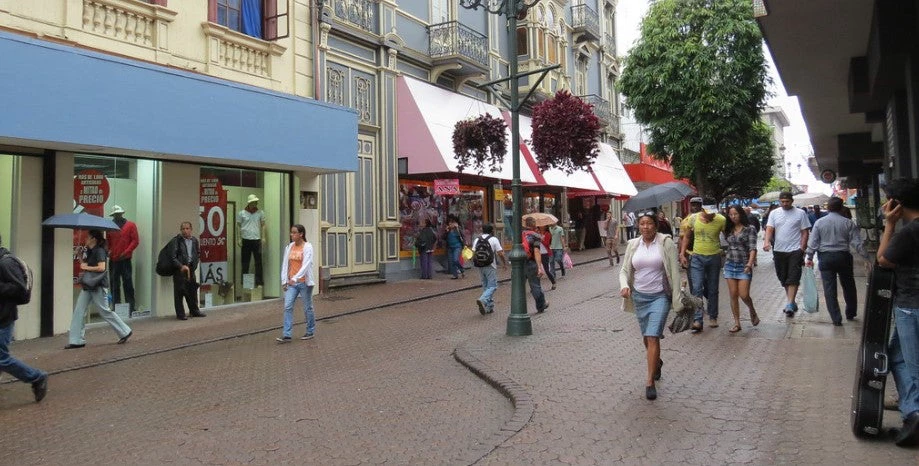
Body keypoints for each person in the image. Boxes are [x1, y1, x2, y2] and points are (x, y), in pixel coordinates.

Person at [618, 212, 681, 400]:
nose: (645, 227)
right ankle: (657, 362)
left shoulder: (666, 243)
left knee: (653, 336)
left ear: (656, 225)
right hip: (639, 297)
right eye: (642, 224)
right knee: (647, 337)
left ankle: (649, 381)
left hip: (660, 296)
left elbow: (675, 273)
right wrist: (625, 286)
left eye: (649, 223)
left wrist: (677, 299)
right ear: (638, 226)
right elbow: (624, 270)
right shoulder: (632, 245)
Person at [876, 178, 919, 447]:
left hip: (911, 306)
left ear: (895, 204)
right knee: (897, 356)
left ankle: (914, 413)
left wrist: (889, 225)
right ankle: (911, 413)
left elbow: (884, 260)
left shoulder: (909, 232)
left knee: (913, 366)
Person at [805, 197, 868, 326]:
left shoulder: (819, 223)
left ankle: (836, 318)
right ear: (841, 208)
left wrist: (809, 257)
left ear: (828, 208)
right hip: (843, 256)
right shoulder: (848, 223)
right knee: (849, 285)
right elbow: (857, 243)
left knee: (829, 289)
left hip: (826, 258)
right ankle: (851, 313)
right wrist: (867, 258)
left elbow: (813, 243)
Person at [66, 229, 133, 348]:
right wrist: (80, 255)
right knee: (79, 311)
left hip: (98, 286)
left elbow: (102, 268)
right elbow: (86, 265)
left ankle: (125, 331)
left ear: (94, 239)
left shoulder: (100, 251)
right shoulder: (91, 251)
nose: (85, 239)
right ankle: (76, 340)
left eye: (88, 237)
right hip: (89, 286)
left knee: (104, 311)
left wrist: (86, 266)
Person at [0, 234, 48, 401]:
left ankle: (36, 376)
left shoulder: (5, 263)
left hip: (3, 318)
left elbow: (18, 288)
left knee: (1, 359)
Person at [679, 202, 726, 332]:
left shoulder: (721, 220)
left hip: (714, 257)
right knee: (697, 288)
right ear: (703, 210)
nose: (710, 215)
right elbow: (687, 237)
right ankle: (698, 320)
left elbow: (728, 235)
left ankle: (713, 316)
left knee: (712, 288)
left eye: (712, 212)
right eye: (708, 212)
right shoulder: (693, 219)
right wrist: (682, 254)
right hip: (697, 258)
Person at [763, 192, 811, 317]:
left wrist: (802, 248)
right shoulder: (774, 213)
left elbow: (805, 231)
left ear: (792, 201)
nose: (785, 204)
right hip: (779, 250)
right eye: (782, 202)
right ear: (779, 201)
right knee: (783, 277)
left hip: (795, 250)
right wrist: (766, 242)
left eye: (787, 201)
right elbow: (769, 229)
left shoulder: (800, 213)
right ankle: (792, 301)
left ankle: (789, 303)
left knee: (793, 276)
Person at [722, 206, 760, 333]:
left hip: (743, 265)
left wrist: (750, 263)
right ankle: (737, 322)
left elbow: (753, 248)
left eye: (735, 214)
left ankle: (752, 309)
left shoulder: (750, 229)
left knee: (744, 294)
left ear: (741, 214)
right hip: (729, 264)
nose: (733, 217)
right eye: (731, 214)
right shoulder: (728, 229)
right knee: (733, 294)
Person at [276, 224, 315, 343]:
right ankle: (287, 334)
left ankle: (310, 331)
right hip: (292, 283)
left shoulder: (308, 247)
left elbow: (306, 264)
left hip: (304, 282)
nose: (291, 235)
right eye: (291, 233)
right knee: (287, 306)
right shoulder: (289, 247)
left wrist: (296, 277)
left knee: (307, 307)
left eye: (294, 233)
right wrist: (284, 280)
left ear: (301, 234)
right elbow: (285, 265)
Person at [107, 205, 139, 315]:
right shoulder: (110, 226)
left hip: (125, 259)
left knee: (128, 282)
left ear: (122, 214)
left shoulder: (130, 225)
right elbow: (108, 242)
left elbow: (135, 241)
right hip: (114, 259)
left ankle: (131, 306)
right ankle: (116, 306)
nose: (117, 216)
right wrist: (109, 251)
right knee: (114, 283)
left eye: (118, 214)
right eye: (115, 214)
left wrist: (126, 252)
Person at [171, 221, 206, 320]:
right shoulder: (177, 241)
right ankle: (180, 314)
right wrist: (180, 266)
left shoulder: (194, 240)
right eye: (183, 229)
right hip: (180, 269)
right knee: (179, 292)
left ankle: (194, 311)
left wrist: (195, 263)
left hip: (191, 269)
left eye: (187, 228)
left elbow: (198, 253)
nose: (185, 231)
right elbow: (173, 257)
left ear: (191, 229)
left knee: (192, 290)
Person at [472, 223, 507, 315]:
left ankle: (489, 307)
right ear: (492, 231)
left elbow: (473, 253)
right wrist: (504, 263)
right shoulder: (494, 239)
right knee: (492, 286)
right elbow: (500, 253)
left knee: (486, 286)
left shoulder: (477, 239)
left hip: (480, 265)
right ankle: (483, 299)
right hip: (490, 265)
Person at [237, 194, 267, 287]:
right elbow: (238, 226)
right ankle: (245, 283)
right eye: (254, 202)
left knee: (258, 262)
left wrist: (263, 237)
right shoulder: (241, 213)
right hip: (246, 240)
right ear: (250, 202)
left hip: (256, 240)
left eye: (256, 202)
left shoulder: (260, 213)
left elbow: (263, 225)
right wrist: (239, 238)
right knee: (245, 262)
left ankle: (259, 282)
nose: (256, 203)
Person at [522, 217, 548, 313]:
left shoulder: (519, 234)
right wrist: (539, 267)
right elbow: (536, 251)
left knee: (519, 287)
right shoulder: (535, 236)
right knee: (535, 286)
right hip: (531, 263)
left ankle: (519, 309)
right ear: (534, 225)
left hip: (519, 264)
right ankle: (541, 306)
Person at [539, 225, 557, 290]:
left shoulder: (548, 234)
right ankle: (535, 286)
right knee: (536, 270)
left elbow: (547, 243)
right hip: (538, 253)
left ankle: (553, 282)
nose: (541, 226)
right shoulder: (537, 233)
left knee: (546, 270)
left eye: (543, 226)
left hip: (545, 253)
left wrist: (541, 239)